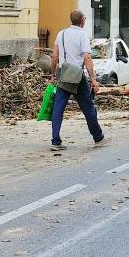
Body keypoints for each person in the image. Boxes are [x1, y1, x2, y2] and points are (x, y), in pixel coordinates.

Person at [50, 10, 109, 151]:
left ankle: (55, 140)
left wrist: (53, 74)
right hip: (77, 76)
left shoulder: (61, 34)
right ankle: (98, 137)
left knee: (58, 108)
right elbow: (87, 58)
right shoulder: (82, 35)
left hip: (63, 74)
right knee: (88, 107)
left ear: (71, 20)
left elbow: (54, 56)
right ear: (82, 20)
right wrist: (93, 79)